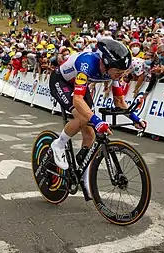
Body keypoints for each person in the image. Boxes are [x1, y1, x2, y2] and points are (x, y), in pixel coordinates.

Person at [49, 38, 147, 174]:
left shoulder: (113, 71)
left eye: (123, 72)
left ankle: (80, 171)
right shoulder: (87, 63)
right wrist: (96, 120)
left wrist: (135, 119)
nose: (121, 75)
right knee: (84, 118)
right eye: (118, 71)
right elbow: (77, 99)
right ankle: (58, 144)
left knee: (90, 135)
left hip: (78, 85)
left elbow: (118, 101)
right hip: (61, 82)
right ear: (106, 64)